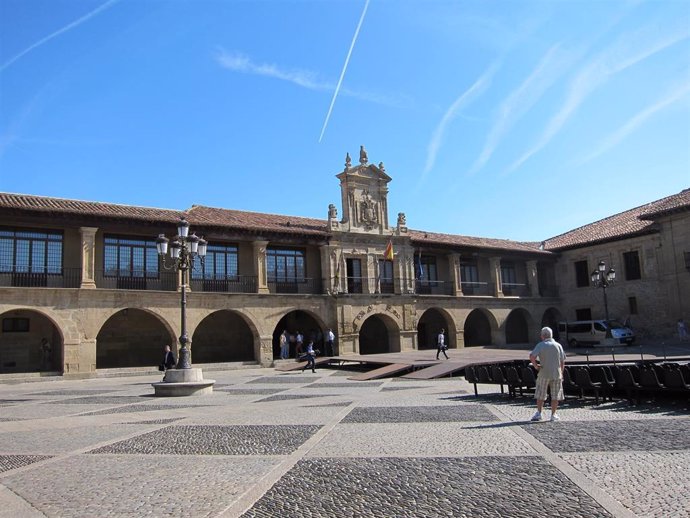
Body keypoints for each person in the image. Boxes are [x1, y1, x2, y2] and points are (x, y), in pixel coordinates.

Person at [529, 327, 566, 422]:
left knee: (541, 393)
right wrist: (561, 373)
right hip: (556, 373)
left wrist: (536, 366)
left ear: (543, 336)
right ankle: (553, 414)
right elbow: (562, 361)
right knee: (555, 395)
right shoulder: (558, 345)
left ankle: (539, 413)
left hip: (544, 372)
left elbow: (532, 356)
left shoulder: (541, 345)